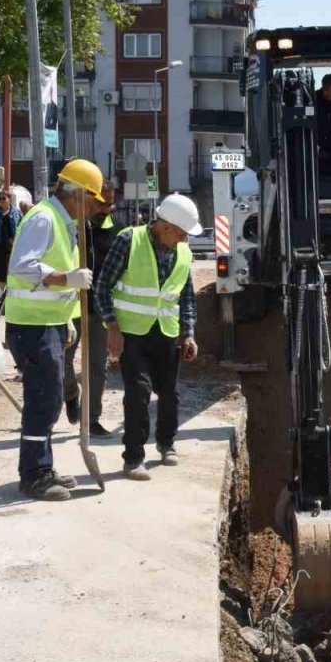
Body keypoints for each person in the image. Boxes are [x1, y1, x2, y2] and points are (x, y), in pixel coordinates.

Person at [4, 159, 105, 501]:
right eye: (90, 201)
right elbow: (22, 266)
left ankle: (42, 467)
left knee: (50, 398)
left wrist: (67, 323)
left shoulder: (62, 222)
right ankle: (34, 475)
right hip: (32, 326)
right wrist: (67, 279)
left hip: (49, 324)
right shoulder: (45, 218)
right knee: (43, 402)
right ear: (75, 193)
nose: (91, 210)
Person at [94, 192, 199, 481]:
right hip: (131, 333)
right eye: (180, 233)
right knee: (138, 392)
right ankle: (133, 458)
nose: (183, 239)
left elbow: (186, 297)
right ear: (165, 226)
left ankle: (167, 443)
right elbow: (102, 287)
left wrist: (188, 333)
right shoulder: (129, 240)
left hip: (167, 332)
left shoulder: (184, 252)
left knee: (169, 393)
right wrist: (112, 327)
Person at [63, 185, 116, 438]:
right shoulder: (71, 228)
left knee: (97, 366)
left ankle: (91, 418)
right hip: (70, 307)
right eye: (102, 204)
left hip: (101, 310)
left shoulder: (116, 233)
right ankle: (70, 393)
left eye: (110, 205)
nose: (106, 210)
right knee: (62, 360)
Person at [0, 190, 22, 287]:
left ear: (9, 199)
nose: (1, 200)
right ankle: (2, 291)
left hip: (12, 244)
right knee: (0, 269)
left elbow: (21, 225)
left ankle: (12, 288)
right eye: (0, 198)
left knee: (12, 267)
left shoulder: (16, 212)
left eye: (4, 198)